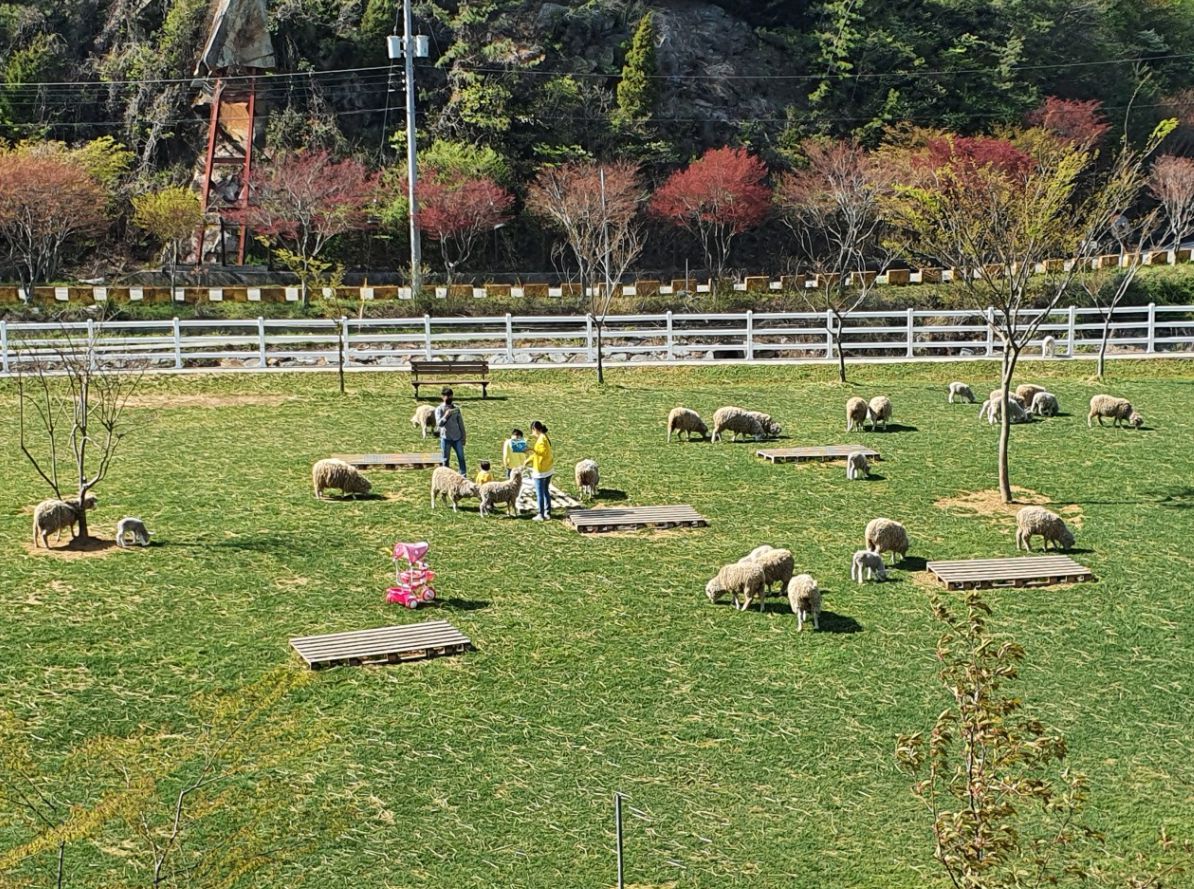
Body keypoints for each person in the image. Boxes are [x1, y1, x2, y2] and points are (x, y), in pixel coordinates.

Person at [434, 387, 466, 476]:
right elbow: (439, 424)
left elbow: (460, 423)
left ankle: (463, 476)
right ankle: (446, 478)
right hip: (446, 438)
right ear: (442, 397)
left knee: (461, 458)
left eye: (450, 396)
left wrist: (464, 436)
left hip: (457, 438)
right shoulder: (439, 409)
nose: (448, 398)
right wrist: (446, 415)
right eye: (446, 396)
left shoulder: (456, 409)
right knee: (445, 460)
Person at [528, 420, 554, 521]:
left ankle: (541, 514)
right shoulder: (544, 437)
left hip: (541, 471)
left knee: (540, 493)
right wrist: (528, 460)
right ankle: (547, 512)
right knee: (545, 491)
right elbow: (538, 454)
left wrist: (531, 449)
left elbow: (541, 453)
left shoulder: (541, 439)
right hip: (548, 468)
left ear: (535, 429)